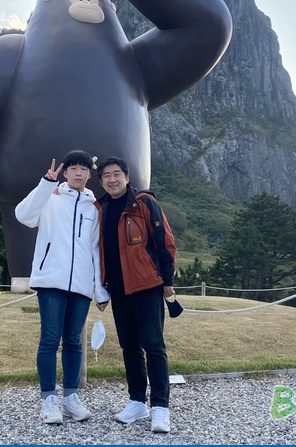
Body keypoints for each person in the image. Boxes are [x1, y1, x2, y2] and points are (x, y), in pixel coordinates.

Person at [15, 150, 110, 425]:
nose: (79, 173)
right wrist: (46, 184)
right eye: (73, 168)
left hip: (81, 284)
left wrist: (100, 290)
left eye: (84, 169)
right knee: (49, 338)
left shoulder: (94, 207)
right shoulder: (51, 197)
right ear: (65, 172)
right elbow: (23, 215)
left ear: (89, 174)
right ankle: (48, 400)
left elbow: (96, 251)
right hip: (51, 280)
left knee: (73, 341)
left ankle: (71, 398)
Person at [96, 156, 176, 433]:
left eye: (117, 173)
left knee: (154, 346)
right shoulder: (101, 209)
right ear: (101, 181)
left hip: (147, 285)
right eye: (106, 175)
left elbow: (165, 241)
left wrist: (168, 279)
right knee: (129, 346)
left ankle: (161, 407)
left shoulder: (143, 203)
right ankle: (137, 402)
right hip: (118, 289)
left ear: (127, 177)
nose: (112, 179)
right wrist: (101, 287)